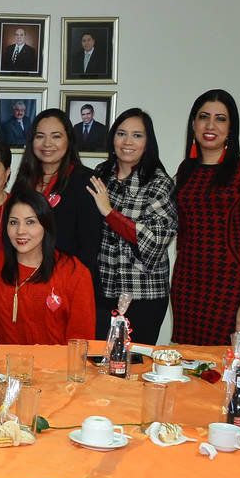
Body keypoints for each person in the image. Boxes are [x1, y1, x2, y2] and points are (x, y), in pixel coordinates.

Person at [170, 89, 240, 345]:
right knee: (187, 361)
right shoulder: (186, 170)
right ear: (193, 124)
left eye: (220, 118)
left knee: (224, 364)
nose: (210, 125)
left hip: (231, 288)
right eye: (204, 116)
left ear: (231, 128)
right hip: (186, 286)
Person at [84, 108, 177, 344]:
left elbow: (154, 240)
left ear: (148, 142)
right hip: (102, 289)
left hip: (143, 295)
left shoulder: (159, 182)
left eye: (137, 135)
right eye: (121, 134)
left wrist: (109, 212)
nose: (127, 142)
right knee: (99, 359)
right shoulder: (101, 174)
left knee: (136, 361)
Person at [0, 189, 96, 345]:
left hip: (56, 361)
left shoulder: (74, 272)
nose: (20, 231)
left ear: (45, 225)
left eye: (30, 222)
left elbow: (82, 342)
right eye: (13, 222)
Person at [11, 108, 101, 302]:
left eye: (56, 136)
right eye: (40, 136)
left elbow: (90, 246)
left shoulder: (85, 180)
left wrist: (69, 285)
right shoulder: (24, 181)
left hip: (67, 286)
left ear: (69, 140)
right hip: (28, 282)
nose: (47, 144)